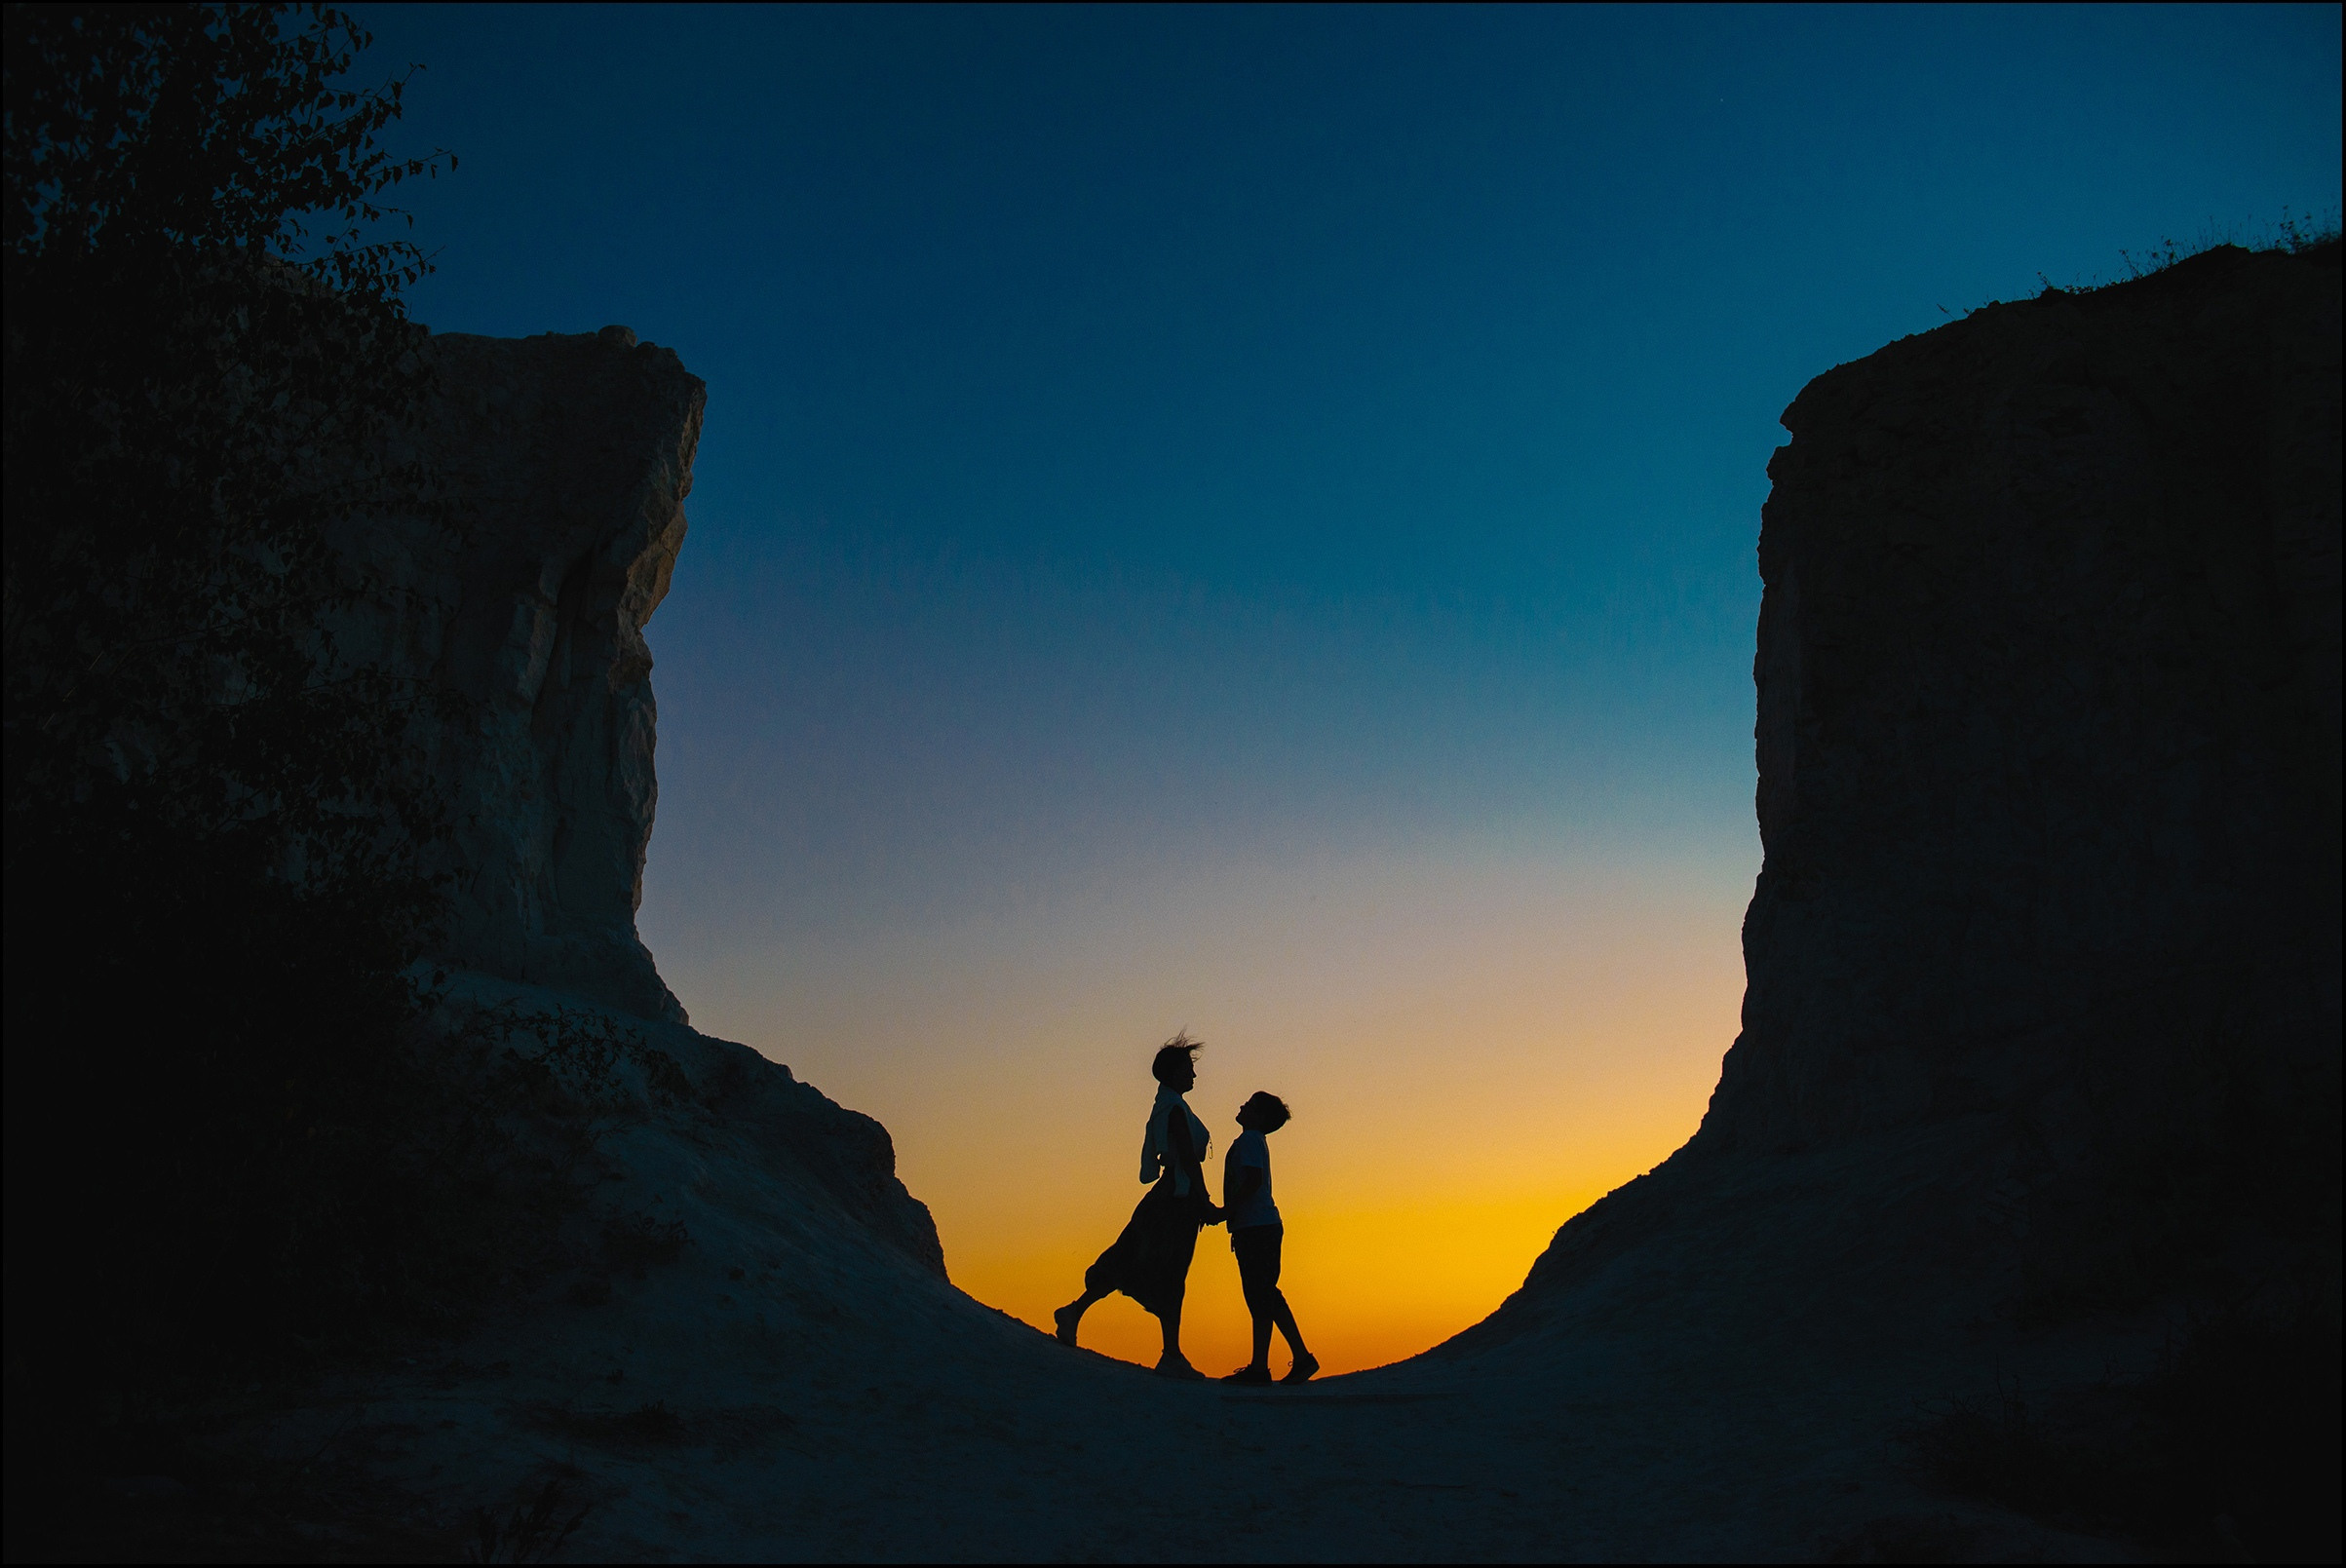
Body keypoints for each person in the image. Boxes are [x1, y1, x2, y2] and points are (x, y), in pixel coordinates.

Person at [1054, 1032, 1222, 1378]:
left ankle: (1075, 1312)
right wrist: (1204, 1200)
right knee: (1166, 1270)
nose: (1193, 1075)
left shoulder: (1168, 1105)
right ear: (1173, 1073)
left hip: (1169, 1196)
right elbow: (1188, 1158)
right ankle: (1170, 1354)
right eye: (1188, 1069)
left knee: (1132, 1258)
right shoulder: (1174, 1108)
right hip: (1176, 1199)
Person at [1218, 1090, 1317, 1385]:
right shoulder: (1252, 1140)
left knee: (1263, 1296)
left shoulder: (1250, 1139)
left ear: (1259, 1117)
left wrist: (1227, 1211)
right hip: (1255, 1227)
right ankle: (1270, 1364)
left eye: (1249, 1105)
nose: (1241, 1106)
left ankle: (1281, 1363)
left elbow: (1253, 1180)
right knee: (1263, 1296)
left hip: (1257, 1227)